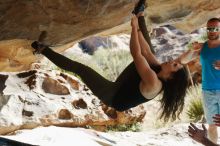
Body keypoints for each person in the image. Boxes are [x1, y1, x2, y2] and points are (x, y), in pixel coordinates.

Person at [31, 0, 189, 122]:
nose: (173, 60)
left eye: (175, 65)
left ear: (170, 77)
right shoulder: (158, 69)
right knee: (150, 53)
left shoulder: (154, 83)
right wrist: (138, 25)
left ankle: (42, 49)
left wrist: (133, 29)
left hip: (113, 95)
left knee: (81, 70)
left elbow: (137, 54)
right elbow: (146, 51)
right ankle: (139, 14)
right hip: (128, 84)